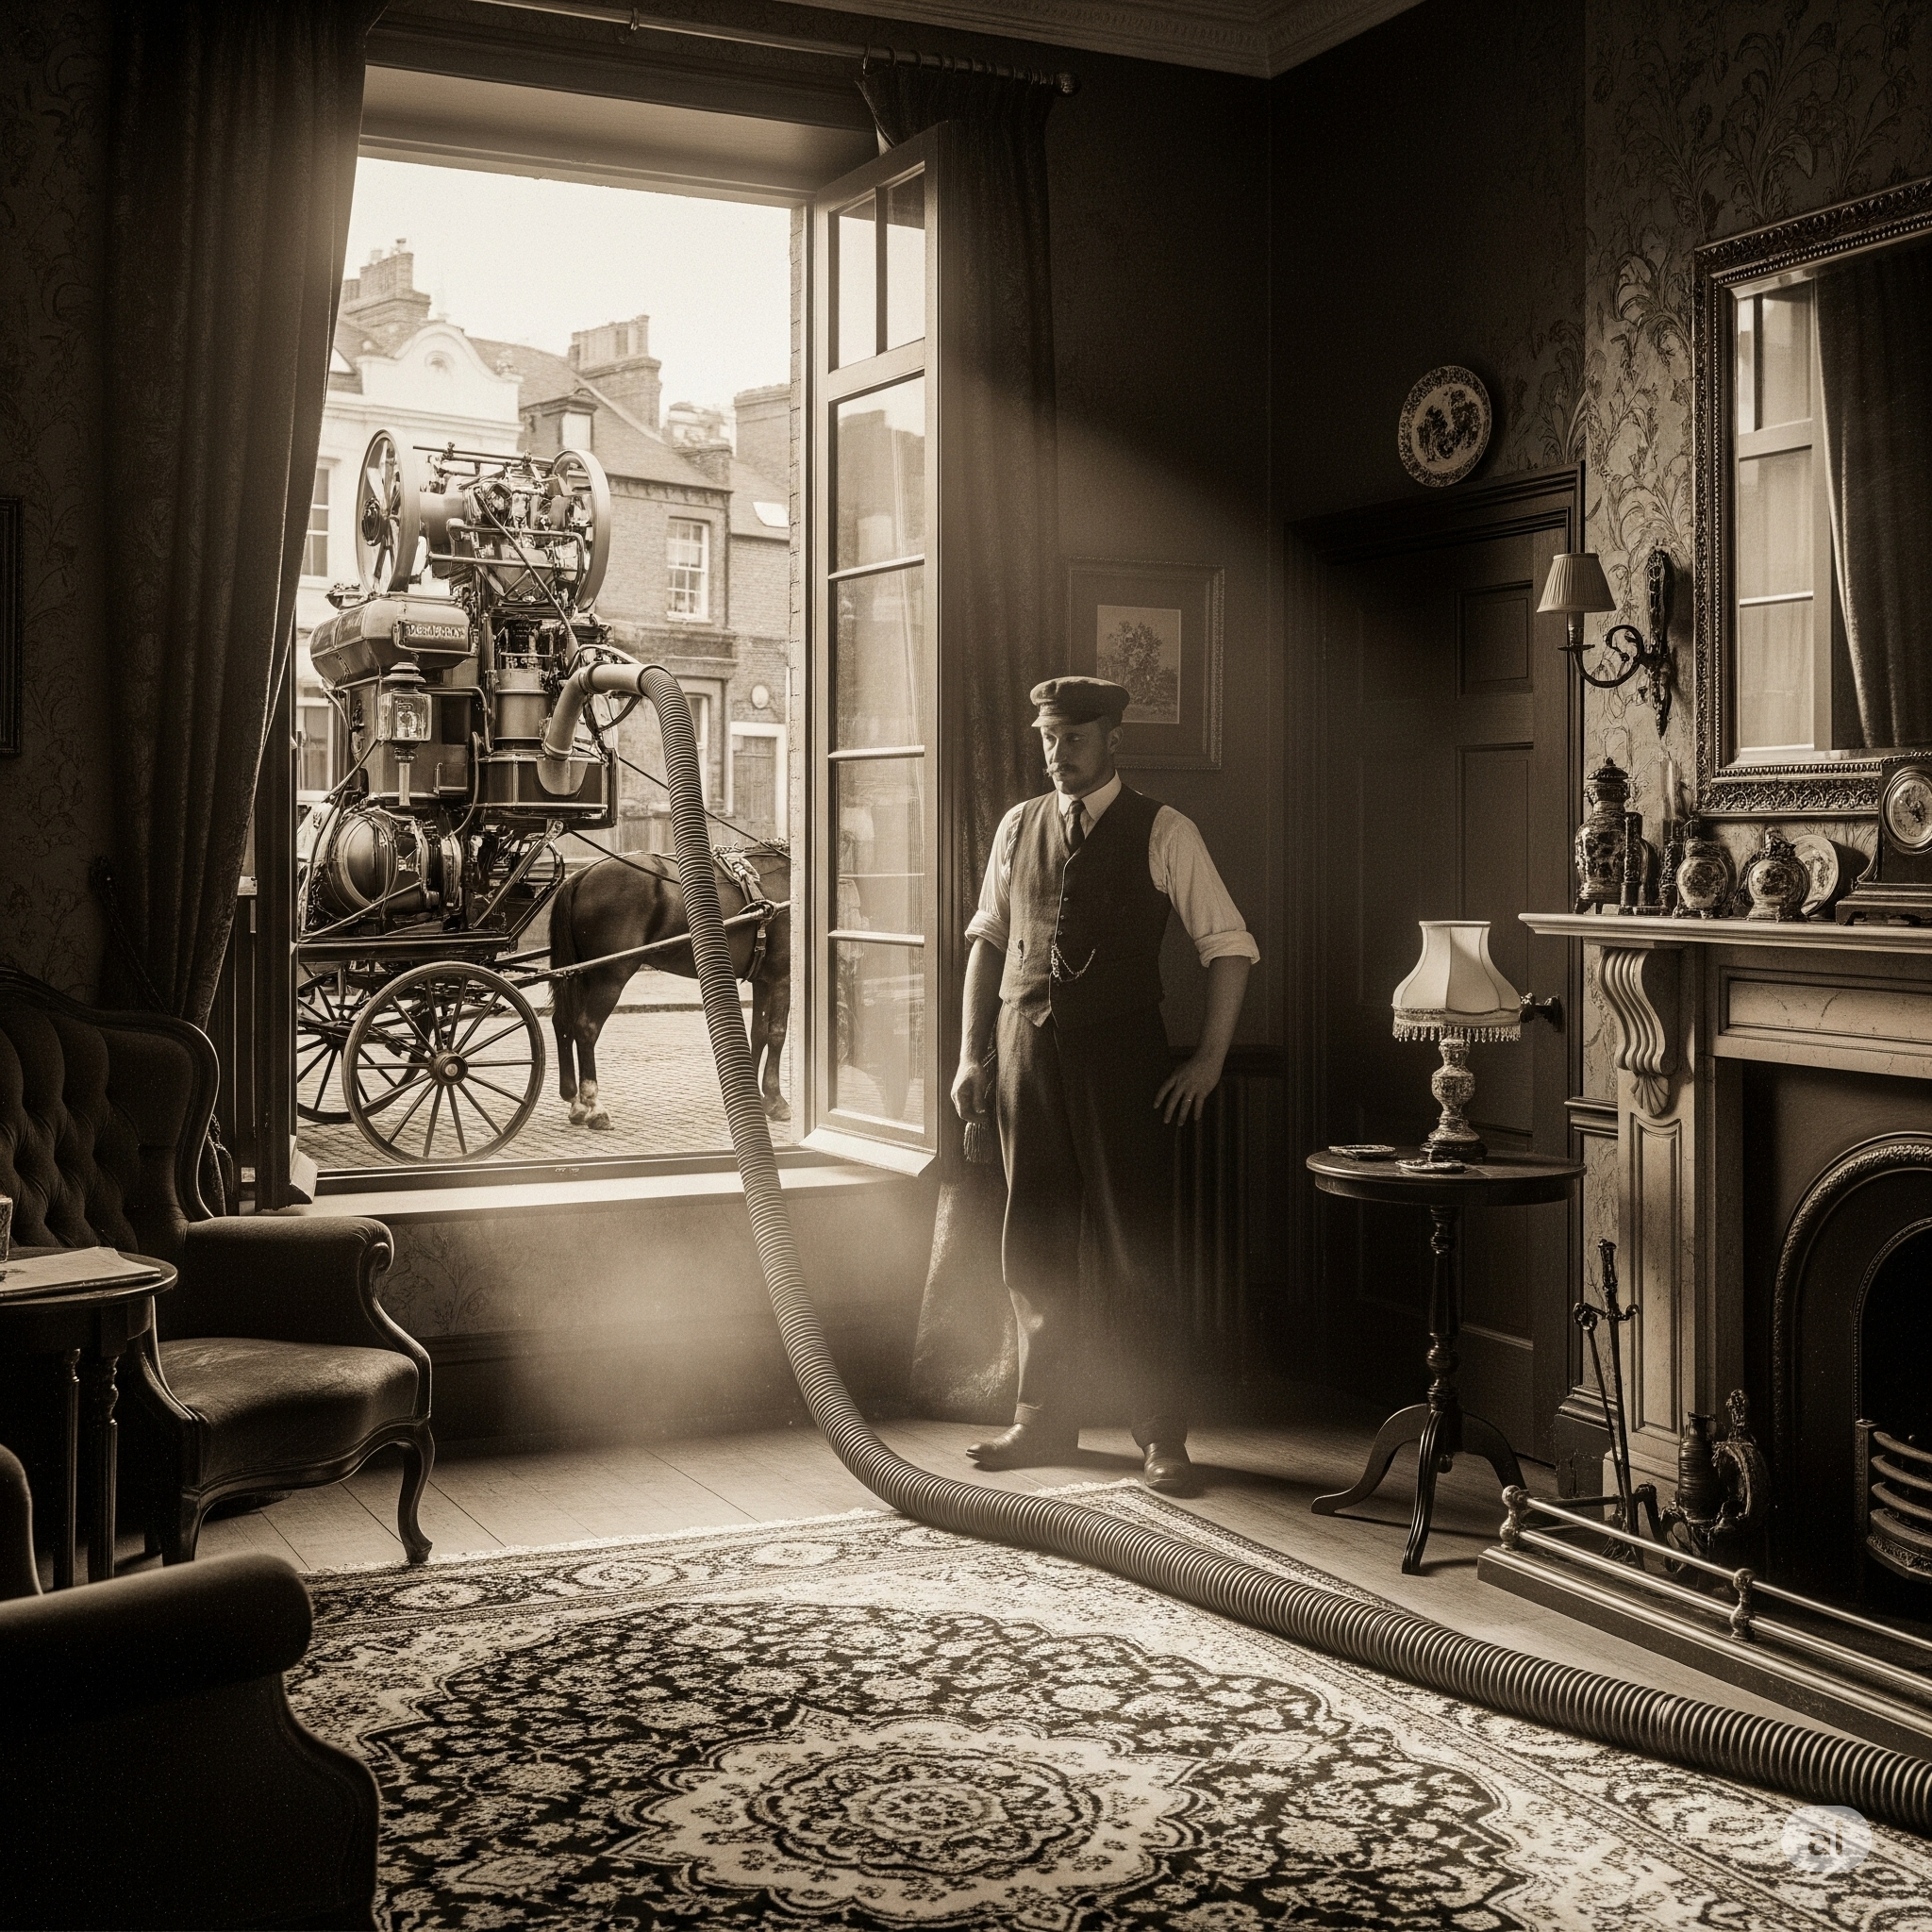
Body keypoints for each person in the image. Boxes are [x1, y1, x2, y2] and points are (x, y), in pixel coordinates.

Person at [951, 675, 1257, 1493]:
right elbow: (988, 938)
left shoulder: (1166, 830)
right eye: (1047, 738)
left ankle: (1160, 1435)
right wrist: (970, 1054)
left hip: (1123, 1061)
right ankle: (1041, 1420)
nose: (1057, 754)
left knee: (1135, 1247)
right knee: (1034, 1239)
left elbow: (1230, 946)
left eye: (1074, 739)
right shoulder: (1018, 825)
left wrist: (1208, 1061)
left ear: (1114, 739)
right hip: (1024, 1050)